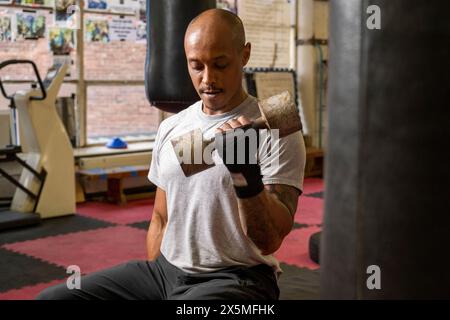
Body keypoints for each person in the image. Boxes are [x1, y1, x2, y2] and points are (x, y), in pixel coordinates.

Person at [36, 8, 305, 300]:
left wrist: (244, 174)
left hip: (237, 279)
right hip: (165, 273)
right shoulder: (174, 127)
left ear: (244, 55)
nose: (208, 79)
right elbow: (161, 218)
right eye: (196, 65)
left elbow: (269, 241)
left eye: (220, 64)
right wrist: (155, 286)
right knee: (52, 299)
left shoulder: (276, 129)